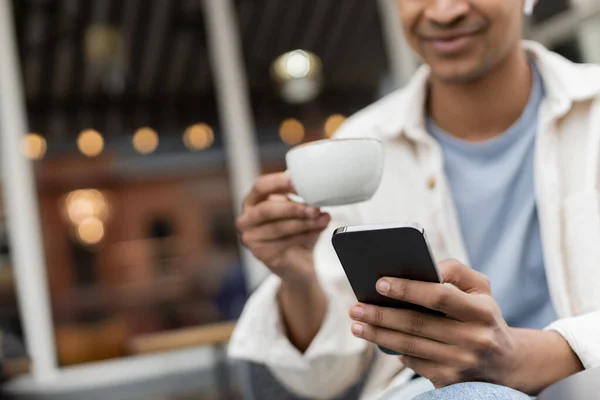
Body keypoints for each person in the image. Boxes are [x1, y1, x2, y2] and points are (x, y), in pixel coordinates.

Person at [229, 0, 600, 398]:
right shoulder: (362, 143)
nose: (443, 12)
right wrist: (299, 279)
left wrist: (541, 354)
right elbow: (322, 381)